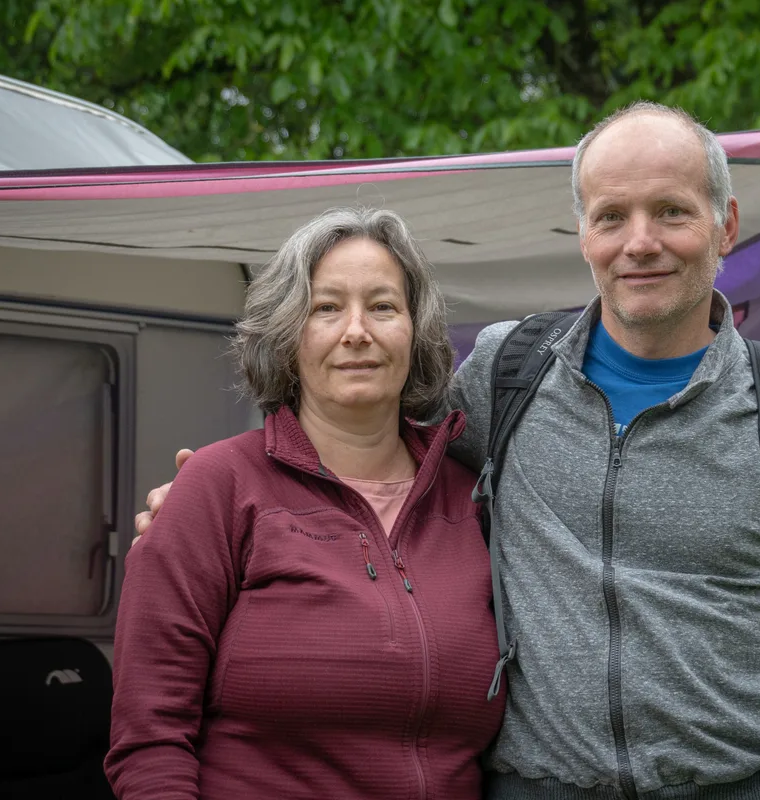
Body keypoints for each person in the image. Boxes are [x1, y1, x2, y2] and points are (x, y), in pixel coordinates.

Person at [137, 102, 760, 799]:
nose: (639, 243)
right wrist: (211, 505)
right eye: (612, 216)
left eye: (671, 211)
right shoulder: (509, 377)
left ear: (726, 225)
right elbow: (362, 442)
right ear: (583, 234)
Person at [105, 207, 505, 799]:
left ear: (416, 331)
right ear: (287, 335)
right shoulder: (218, 486)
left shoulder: (473, 498)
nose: (357, 331)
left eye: (383, 306)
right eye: (327, 308)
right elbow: (150, 737)